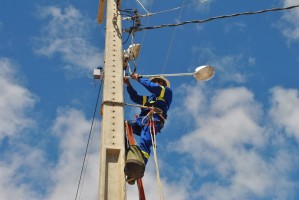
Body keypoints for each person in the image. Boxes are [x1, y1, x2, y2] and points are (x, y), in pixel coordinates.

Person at [124, 73, 172, 168]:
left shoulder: (166, 92)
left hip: (153, 120)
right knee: (125, 125)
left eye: (156, 81)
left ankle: (140, 163)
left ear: (162, 83)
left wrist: (139, 79)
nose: (154, 83)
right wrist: (128, 85)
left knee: (145, 139)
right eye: (153, 81)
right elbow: (135, 98)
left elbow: (152, 87)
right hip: (141, 122)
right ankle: (127, 151)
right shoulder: (150, 99)